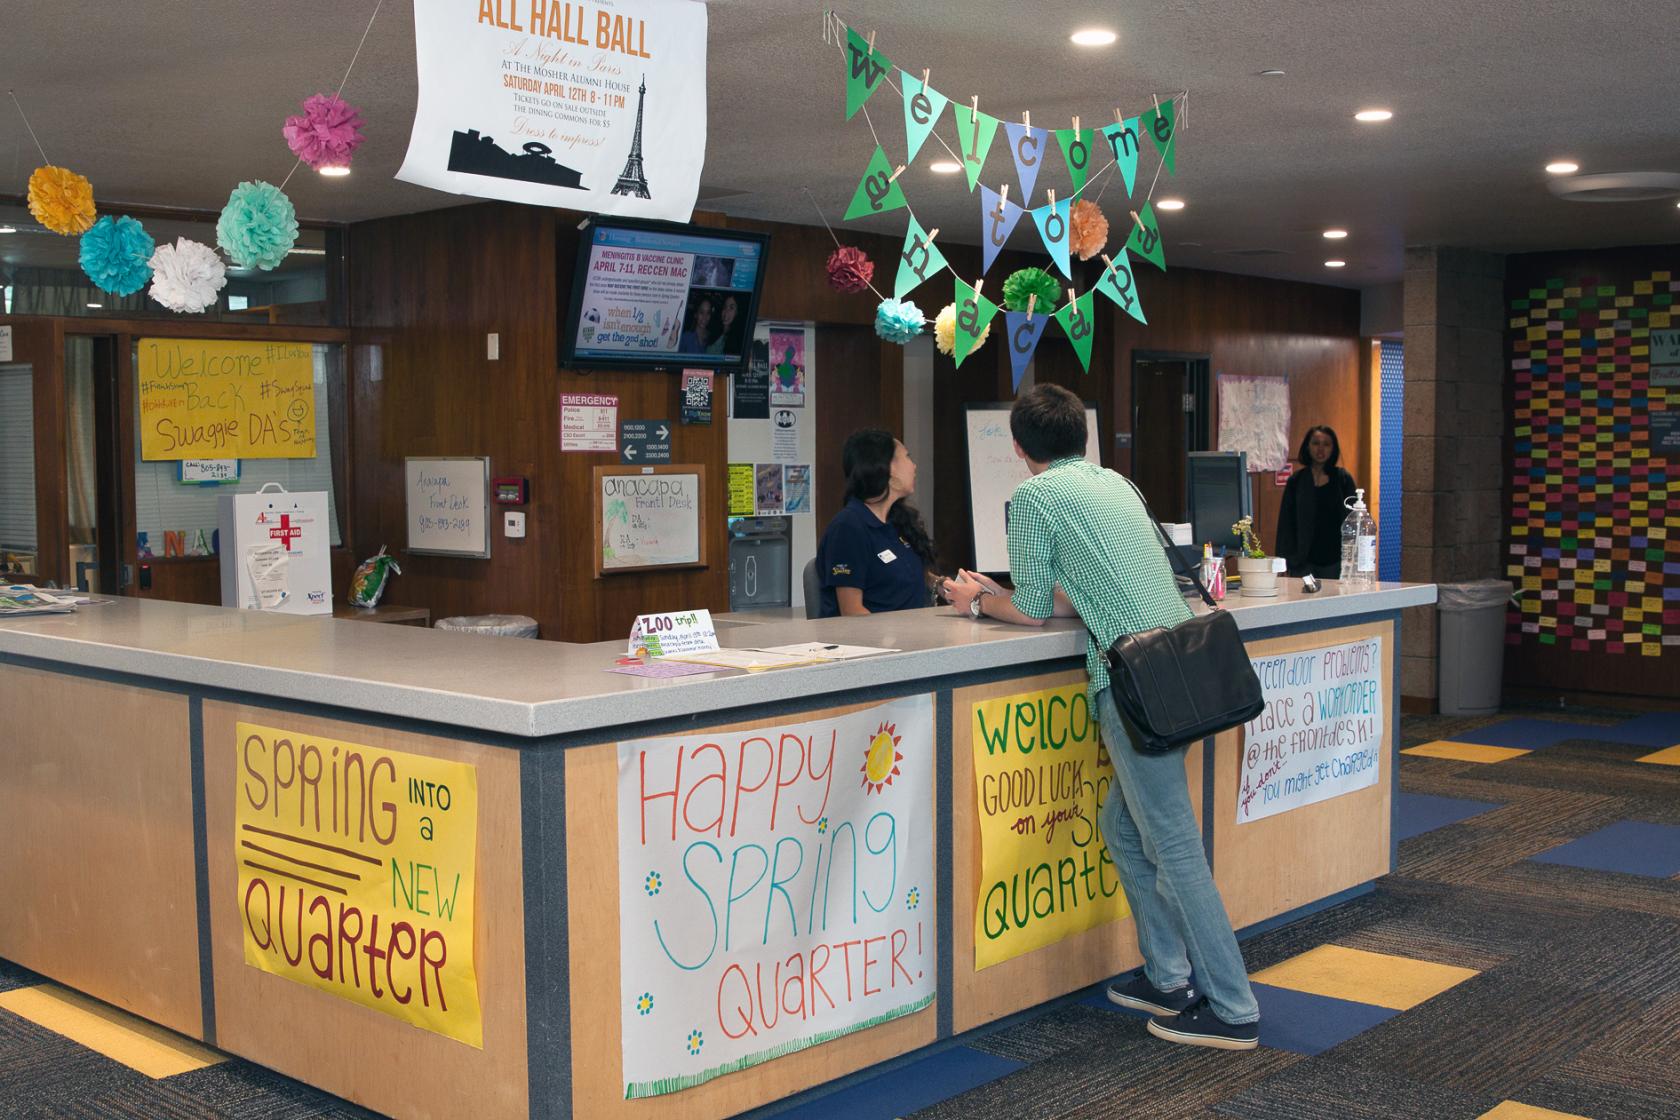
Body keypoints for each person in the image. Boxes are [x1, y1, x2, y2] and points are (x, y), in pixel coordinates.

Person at [943, 384, 1260, 1051]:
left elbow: (1030, 608)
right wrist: (1007, 597)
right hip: (1174, 668)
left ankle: (1232, 1005)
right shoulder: (1118, 483)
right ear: (1082, 437)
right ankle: (1167, 974)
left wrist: (975, 602)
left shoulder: (1033, 498)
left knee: (1173, 848)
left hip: (1131, 684)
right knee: (1122, 827)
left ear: (1020, 446)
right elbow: (1081, 591)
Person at [815, 430, 943, 617]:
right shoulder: (848, 527)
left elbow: (901, 574)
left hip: (914, 636)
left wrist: (941, 585)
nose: (914, 466)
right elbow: (852, 612)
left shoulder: (897, 520)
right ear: (887, 468)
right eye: (907, 457)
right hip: (875, 643)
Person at [1276, 425, 1358, 579]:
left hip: (1335, 560)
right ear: (1307, 446)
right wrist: (1283, 560)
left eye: (1326, 444)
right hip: (1303, 561)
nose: (1321, 449)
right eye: (1315, 443)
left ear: (1333, 449)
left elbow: (1354, 519)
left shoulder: (1342, 479)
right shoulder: (1297, 480)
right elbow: (1286, 524)